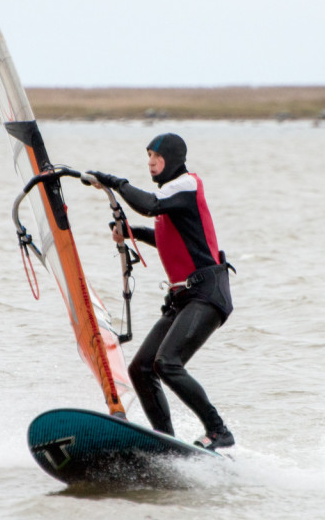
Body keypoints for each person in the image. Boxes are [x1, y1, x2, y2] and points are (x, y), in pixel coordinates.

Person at [84, 133, 236, 450]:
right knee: (141, 368)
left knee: (167, 363)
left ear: (172, 159)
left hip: (207, 294)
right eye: (148, 157)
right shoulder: (172, 200)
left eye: (156, 156)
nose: (151, 163)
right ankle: (167, 443)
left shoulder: (186, 184)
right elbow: (165, 235)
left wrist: (114, 182)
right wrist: (132, 233)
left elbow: (149, 205)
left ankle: (218, 430)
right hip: (184, 300)